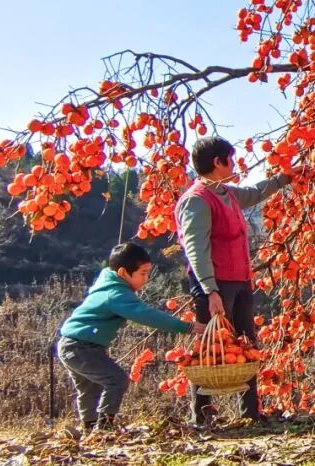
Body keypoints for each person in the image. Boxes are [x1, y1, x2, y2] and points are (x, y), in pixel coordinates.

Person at [175, 136, 292, 425]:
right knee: (211, 349)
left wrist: (284, 178)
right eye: (231, 158)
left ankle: (250, 412)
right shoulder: (197, 200)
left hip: (240, 280)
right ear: (218, 162)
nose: (235, 164)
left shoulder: (225, 193)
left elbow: (254, 193)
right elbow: (195, 248)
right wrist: (209, 289)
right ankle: (201, 414)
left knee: (246, 343)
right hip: (215, 284)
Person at [57, 242, 205, 431]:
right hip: (81, 348)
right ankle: (104, 427)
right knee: (116, 379)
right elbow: (146, 315)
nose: (147, 278)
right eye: (142, 273)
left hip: (72, 345)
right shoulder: (115, 293)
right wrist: (187, 327)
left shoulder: (108, 285)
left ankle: (90, 427)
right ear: (122, 273)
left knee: (89, 389)